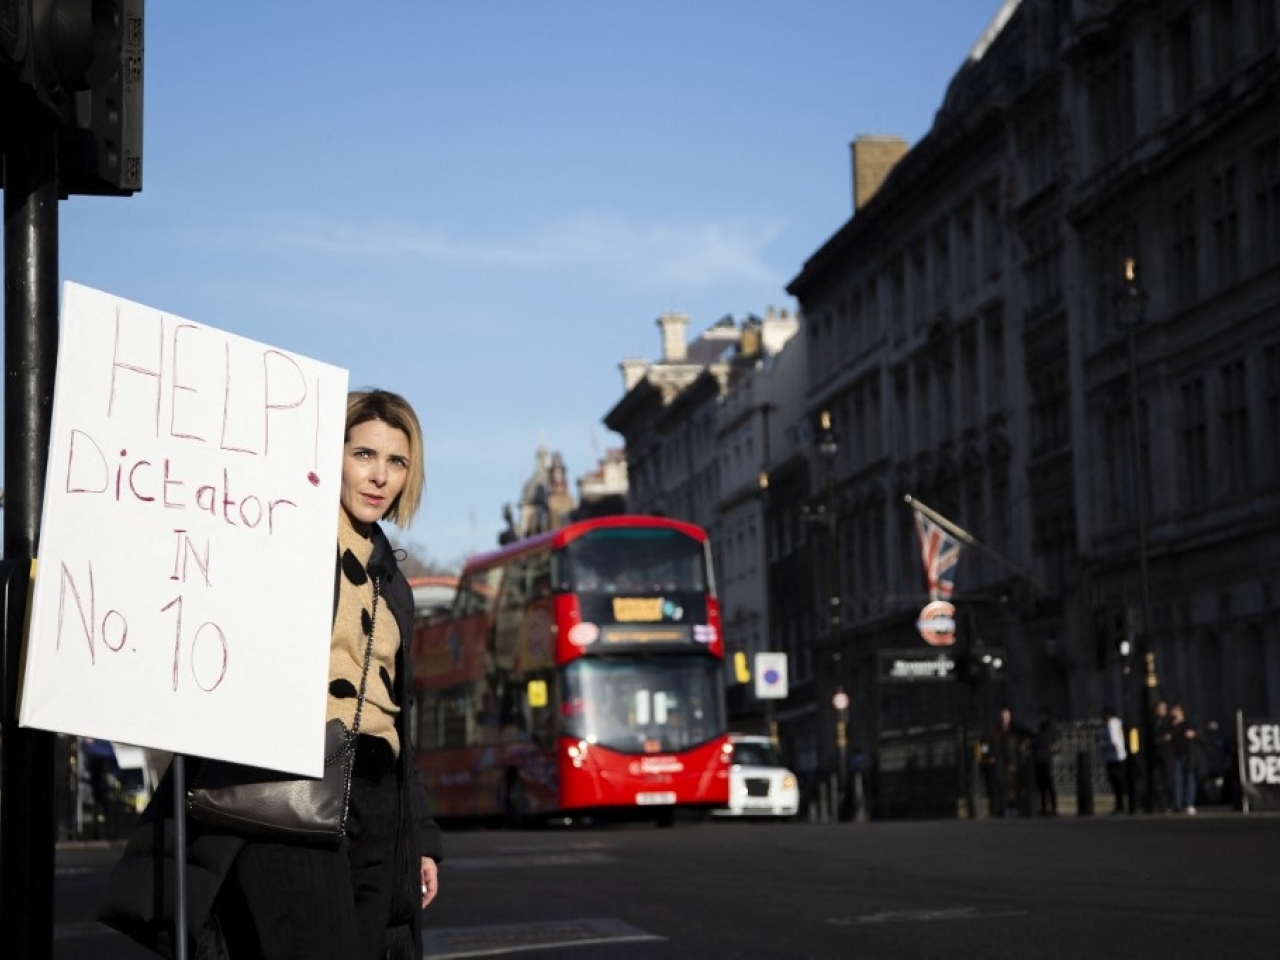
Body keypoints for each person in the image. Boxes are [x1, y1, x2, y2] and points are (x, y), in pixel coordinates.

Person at [100, 389, 443, 958]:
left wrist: (421, 839)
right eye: (362, 454)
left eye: (397, 461)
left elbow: (396, 717)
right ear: (328, 455)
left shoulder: (394, 580)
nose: (379, 475)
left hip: (379, 804)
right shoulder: (281, 541)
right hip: (294, 783)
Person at [1100, 707, 1128, 815]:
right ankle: (1120, 805)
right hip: (1117, 756)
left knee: (1116, 782)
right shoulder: (1117, 723)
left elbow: (1114, 741)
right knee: (1117, 783)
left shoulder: (1111, 724)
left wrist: (1102, 744)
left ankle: (1120, 806)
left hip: (1114, 757)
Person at [1032, 707, 1059, 816]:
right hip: (1039, 759)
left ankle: (1053, 807)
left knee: (1049, 785)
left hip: (1047, 759)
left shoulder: (1050, 729)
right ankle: (1043, 807)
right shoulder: (1038, 729)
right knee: (1041, 786)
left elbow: (1056, 743)